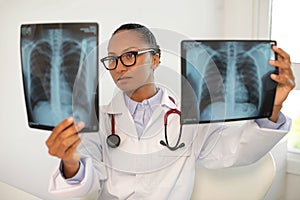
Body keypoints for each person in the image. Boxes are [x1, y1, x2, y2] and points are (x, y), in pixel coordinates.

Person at [46, 23, 295, 199]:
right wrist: (69, 160)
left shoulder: (189, 117)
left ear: (155, 59)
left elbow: (236, 150)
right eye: (112, 59)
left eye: (130, 56)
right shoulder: (97, 118)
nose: (119, 67)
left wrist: (273, 109)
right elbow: (83, 184)